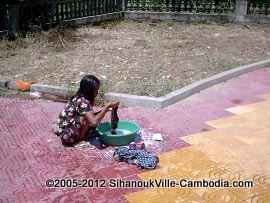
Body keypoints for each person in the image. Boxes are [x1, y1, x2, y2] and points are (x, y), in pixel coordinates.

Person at [54, 74, 119, 145]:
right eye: (96, 90)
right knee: (88, 118)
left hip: (66, 130)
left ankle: (79, 135)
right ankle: (79, 139)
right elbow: (93, 122)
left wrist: (106, 110)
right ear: (89, 90)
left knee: (88, 117)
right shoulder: (83, 101)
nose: (97, 93)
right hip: (68, 135)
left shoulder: (79, 98)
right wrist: (107, 106)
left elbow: (91, 116)